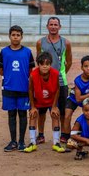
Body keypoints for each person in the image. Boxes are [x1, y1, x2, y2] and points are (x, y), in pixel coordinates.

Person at [0, 25, 35, 152]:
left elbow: (30, 70)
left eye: (18, 35)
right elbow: (1, 70)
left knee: (23, 114)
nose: (15, 37)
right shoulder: (4, 52)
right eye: (13, 35)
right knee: (11, 114)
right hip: (9, 88)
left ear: (21, 37)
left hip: (24, 88)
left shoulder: (27, 52)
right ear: (9, 36)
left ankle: (22, 142)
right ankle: (13, 141)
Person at [36, 16, 72, 144]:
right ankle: (40, 134)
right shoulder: (40, 42)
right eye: (51, 24)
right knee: (41, 111)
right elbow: (38, 61)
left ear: (60, 27)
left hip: (61, 82)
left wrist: (59, 75)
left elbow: (69, 62)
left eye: (55, 24)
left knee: (61, 111)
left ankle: (62, 134)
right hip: (43, 82)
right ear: (47, 26)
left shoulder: (66, 43)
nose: (53, 27)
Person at [24, 52, 65, 153]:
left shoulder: (55, 73)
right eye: (42, 64)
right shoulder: (33, 74)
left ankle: (56, 142)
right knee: (33, 115)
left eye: (47, 64)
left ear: (50, 64)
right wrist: (32, 107)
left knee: (55, 114)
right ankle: (32, 142)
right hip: (38, 100)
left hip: (51, 99)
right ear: (38, 65)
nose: (45, 66)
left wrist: (54, 106)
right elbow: (30, 90)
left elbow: (57, 90)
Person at [63, 56, 89, 143]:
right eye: (85, 66)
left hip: (88, 99)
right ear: (81, 67)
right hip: (74, 99)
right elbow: (78, 99)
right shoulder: (77, 80)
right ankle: (67, 137)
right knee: (67, 115)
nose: (88, 68)